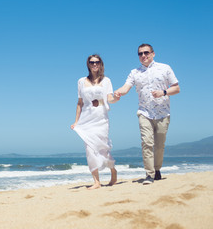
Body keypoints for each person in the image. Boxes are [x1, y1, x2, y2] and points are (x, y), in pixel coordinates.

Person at [114, 43, 180, 185]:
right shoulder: (135, 72)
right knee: (147, 143)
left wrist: (163, 92)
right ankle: (149, 174)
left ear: (153, 53)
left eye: (146, 53)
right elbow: (126, 87)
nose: (143, 56)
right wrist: (119, 92)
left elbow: (177, 88)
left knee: (159, 145)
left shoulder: (165, 68)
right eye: (140, 54)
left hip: (163, 113)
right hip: (144, 112)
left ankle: (157, 169)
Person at [71, 54, 120, 190]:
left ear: (100, 64)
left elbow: (109, 98)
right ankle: (96, 182)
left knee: (102, 147)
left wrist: (116, 98)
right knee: (89, 149)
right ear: (88, 64)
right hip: (86, 120)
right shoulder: (81, 81)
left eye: (97, 62)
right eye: (92, 62)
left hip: (101, 119)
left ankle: (113, 171)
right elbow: (80, 103)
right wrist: (76, 122)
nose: (94, 64)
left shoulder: (106, 80)